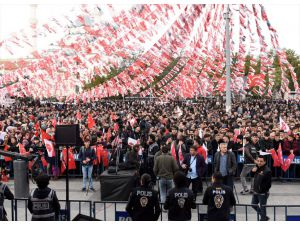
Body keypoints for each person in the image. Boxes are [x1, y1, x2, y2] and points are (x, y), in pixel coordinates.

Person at [251, 155, 272, 221]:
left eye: (261, 161)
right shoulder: (257, 167)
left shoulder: (267, 171)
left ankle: (263, 220)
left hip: (262, 193)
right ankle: (264, 217)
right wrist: (252, 172)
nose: (259, 162)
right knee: (253, 205)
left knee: (263, 208)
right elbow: (252, 176)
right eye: (258, 161)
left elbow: (269, 184)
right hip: (255, 191)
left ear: (265, 162)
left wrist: (262, 190)